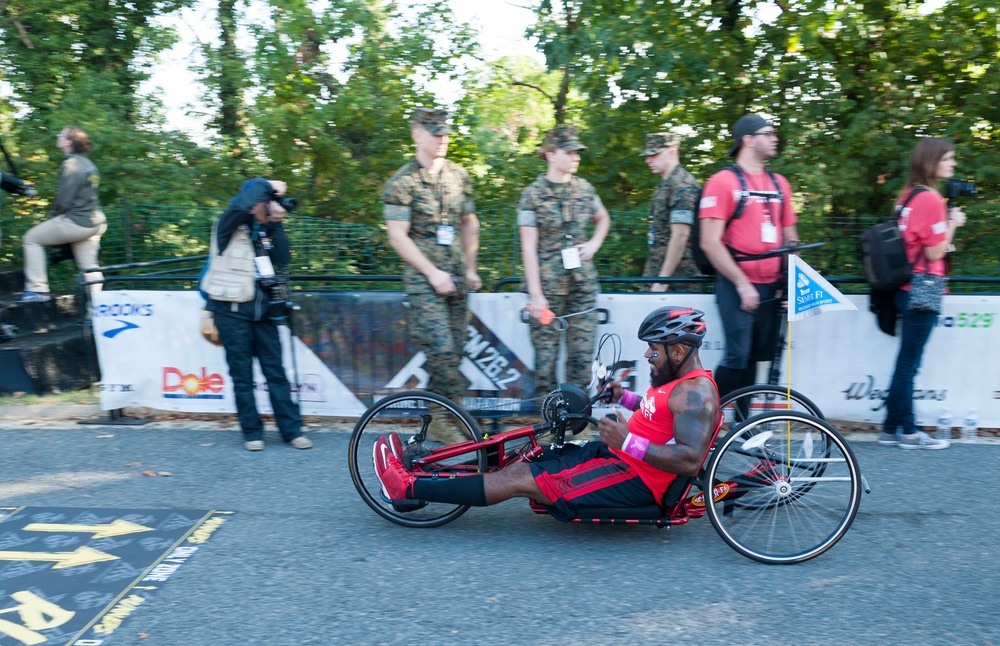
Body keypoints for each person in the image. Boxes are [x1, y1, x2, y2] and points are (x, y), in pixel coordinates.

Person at [371, 306, 721, 521]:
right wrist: (624, 397)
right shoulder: (677, 382)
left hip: (635, 480)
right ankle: (427, 466)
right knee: (524, 454)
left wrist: (628, 442)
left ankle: (406, 486)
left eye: (654, 350)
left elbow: (689, 460)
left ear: (678, 350)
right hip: (617, 458)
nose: (647, 356)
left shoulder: (695, 393)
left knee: (521, 478)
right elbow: (656, 414)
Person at [201, 178, 312, 451]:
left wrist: (276, 223)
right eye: (267, 201)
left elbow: (283, 258)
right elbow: (244, 200)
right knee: (242, 376)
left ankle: (292, 431)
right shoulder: (227, 224)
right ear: (255, 202)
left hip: (264, 315)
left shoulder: (266, 230)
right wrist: (271, 186)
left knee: (276, 375)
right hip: (232, 313)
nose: (271, 205)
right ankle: (252, 433)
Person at [383, 108, 481, 406]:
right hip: (424, 279)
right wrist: (432, 273)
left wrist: (472, 267)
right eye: (434, 133)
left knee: (456, 349)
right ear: (416, 134)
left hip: (456, 273)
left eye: (444, 133)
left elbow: (469, 222)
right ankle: (446, 415)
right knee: (440, 349)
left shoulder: (458, 176)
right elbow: (397, 235)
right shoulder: (402, 183)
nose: (442, 139)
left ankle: (444, 415)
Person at [698, 114, 799, 401]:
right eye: (768, 133)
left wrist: (791, 283)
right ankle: (705, 415)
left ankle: (744, 430)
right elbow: (709, 242)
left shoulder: (780, 184)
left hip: (772, 285)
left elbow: (790, 238)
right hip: (737, 284)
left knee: (756, 357)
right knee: (737, 356)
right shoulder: (723, 182)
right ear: (748, 139)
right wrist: (742, 284)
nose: (775, 138)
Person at [878, 137, 966, 450]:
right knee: (909, 364)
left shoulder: (907, 196)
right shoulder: (930, 200)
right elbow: (935, 252)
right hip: (924, 288)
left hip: (904, 287)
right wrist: (953, 223)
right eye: (948, 159)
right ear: (931, 162)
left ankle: (891, 429)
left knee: (905, 361)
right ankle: (910, 433)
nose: (953, 164)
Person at [518, 125, 611, 398]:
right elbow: (528, 247)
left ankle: (576, 423)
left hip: (581, 287)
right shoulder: (532, 195)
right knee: (545, 364)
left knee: (581, 362)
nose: (576, 157)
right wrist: (536, 295)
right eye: (568, 151)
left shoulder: (584, 189)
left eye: (577, 152)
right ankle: (545, 427)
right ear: (550, 154)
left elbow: (603, 218)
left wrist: (594, 243)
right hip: (546, 290)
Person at [21, 126, 106, 302]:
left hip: (76, 222)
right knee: (89, 266)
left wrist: (54, 219)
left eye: (61, 135)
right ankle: (98, 306)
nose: (58, 137)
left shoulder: (71, 164)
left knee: (31, 238)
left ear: (68, 141)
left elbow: (64, 200)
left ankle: (37, 290)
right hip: (95, 222)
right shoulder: (88, 163)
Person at [640, 132, 701, 292]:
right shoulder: (666, 184)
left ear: (671, 152)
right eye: (648, 155)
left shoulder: (682, 185)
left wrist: (663, 280)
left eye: (655, 154)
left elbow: (680, 235)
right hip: (658, 270)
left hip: (679, 279)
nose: (648, 160)